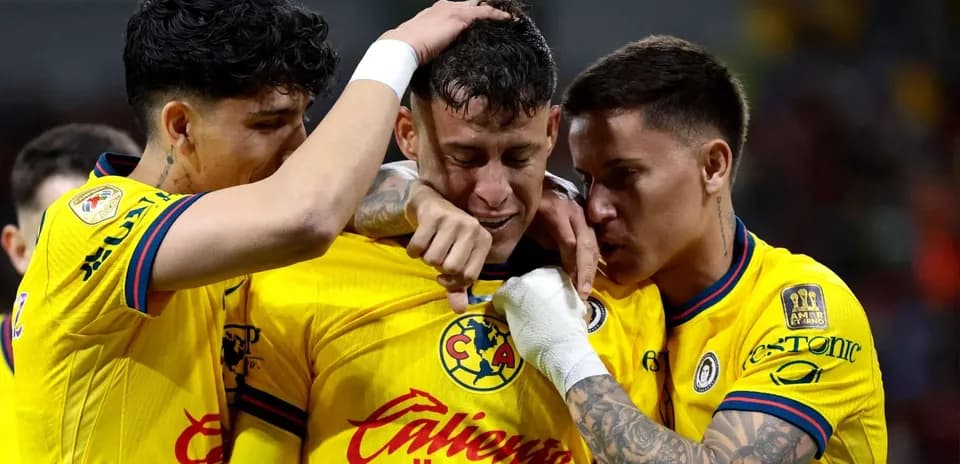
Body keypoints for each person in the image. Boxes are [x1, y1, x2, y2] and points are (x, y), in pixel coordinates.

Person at [11, 0, 509, 461]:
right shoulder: (92, 224)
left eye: (302, 120)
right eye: (269, 125)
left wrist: (418, 197)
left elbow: (333, 199)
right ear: (181, 126)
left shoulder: (222, 232)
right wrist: (396, 52)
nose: (298, 150)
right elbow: (307, 213)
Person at [225, 2, 665, 462]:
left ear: (551, 131)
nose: (494, 192)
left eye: (519, 157)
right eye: (465, 159)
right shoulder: (308, 275)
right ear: (407, 134)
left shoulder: (619, 290)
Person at [494, 35, 887, 463]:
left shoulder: (805, 310)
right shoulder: (603, 285)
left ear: (713, 166)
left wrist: (565, 355)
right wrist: (535, 195)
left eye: (624, 176)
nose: (596, 208)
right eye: (587, 181)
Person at [0, 123, 140, 464]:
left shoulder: (210, 350)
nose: (96, 267)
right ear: (19, 250)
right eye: (64, 241)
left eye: (115, 237)